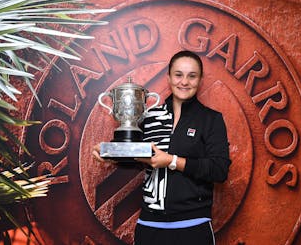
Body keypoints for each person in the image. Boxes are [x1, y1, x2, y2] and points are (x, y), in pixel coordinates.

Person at [93, 50, 231, 245]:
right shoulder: (149, 117)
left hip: (193, 226)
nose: (184, 82)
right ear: (168, 77)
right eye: (178, 75)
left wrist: (171, 161)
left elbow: (219, 170)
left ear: (200, 80)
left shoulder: (211, 119)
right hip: (150, 227)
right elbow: (138, 160)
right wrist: (110, 155)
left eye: (192, 76)